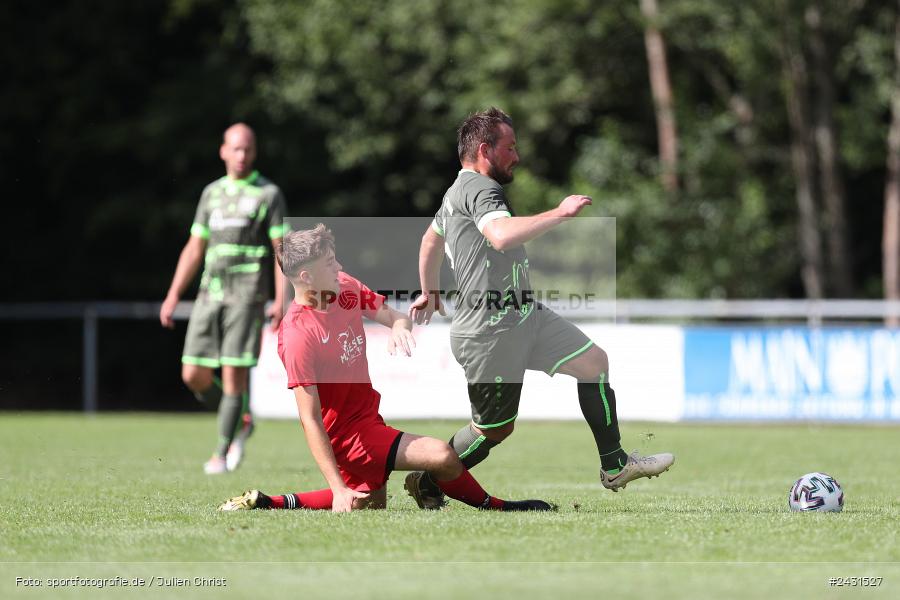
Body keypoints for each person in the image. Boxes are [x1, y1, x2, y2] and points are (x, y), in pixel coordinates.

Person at [405, 107, 674, 509]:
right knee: (494, 429)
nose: (516, 155)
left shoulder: (454, 192)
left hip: (522, 314)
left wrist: (431, 292)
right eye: (509, 147)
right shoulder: (482, 189)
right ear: (484, 150)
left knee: (593, 363)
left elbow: (430, 241)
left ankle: (615, 464)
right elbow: (499, 236)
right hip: (489, 329)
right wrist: (560, 214)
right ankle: (429, 479)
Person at [218, 225, 553, 512]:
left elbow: (392, 315)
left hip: (367, 419)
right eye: (330, 263)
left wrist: (398, 326)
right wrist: (336, 487)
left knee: (369, 503)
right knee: (441, 455)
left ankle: (265, 502)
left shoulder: (343, 287)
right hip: (349, 438)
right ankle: (496, 508)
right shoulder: (297, 336)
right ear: (306, 276)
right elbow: (310, 419)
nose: (339, 267)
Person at [160, 123, 288, 474]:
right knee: (193, 375)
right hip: (209, 294)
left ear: (254, 152)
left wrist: (281, 299)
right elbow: (195, 246)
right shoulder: (211, 193)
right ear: (223, 151)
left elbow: (282, 250)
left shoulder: (268, 194)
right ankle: (241, 420)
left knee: (234, 376)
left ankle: (221, 451)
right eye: (236, 148)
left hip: (246, 297)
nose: (242, 155)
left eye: (248, 149)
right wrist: (173, 294)